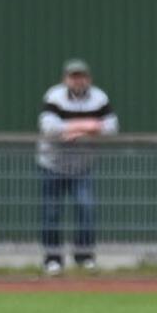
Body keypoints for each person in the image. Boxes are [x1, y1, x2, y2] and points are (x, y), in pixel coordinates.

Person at [37, 58, 118, 275]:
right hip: (52, 164)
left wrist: (76, 131)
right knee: (51, 211)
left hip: (83, 166)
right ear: (66, 79)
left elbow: (111, 127)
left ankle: (84, 256)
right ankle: (52, 259)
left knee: (86, 208)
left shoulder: (99, 98)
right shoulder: (54, 96)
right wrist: (88, 125)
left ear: (88, 79)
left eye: (81, 76)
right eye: (73, 76)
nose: (77, 80)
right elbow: (49, 127)